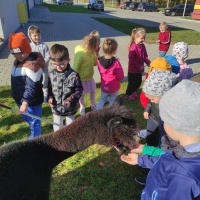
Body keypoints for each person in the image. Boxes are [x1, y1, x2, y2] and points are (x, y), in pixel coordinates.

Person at [121, 80, 200, 200]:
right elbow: (164, 163)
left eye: (165, 120)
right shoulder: (179, 150)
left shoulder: (184, 177)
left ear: (177, 125)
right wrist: (141, 160)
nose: (163, 125)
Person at [8, 32, 45, 139]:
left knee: (35, 122)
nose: (18, 56)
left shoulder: (32, 66)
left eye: (20, 53)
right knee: (28, 119)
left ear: (27, 49)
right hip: (20, 100)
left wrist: (25, 102)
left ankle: (35, 140)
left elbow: (31, 87)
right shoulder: (19, 61)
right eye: (15, 54)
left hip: (31, 102)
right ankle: (33, 133)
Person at [48, 44, 83, 131]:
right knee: (57, 128)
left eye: (62, 64)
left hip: (70, 109)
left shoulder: (74, 75)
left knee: (70, 128)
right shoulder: (51, 74)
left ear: (68, 60)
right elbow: (48, 88)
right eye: (55, 64)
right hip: (56, 108)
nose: (58, 67)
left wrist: (70, 99)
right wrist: (49, 97)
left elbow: (79, 90)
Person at [139, 69, 177, 146]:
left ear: (164, 94)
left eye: (152, 99)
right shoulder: (156, 97)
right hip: (153, 117)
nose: (151, 101)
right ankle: (149, 145)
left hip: (164, 123)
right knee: (150, 135)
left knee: (161, 137)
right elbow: (150, 102)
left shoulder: (173, 104)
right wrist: (147, 109)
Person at [73, 30, 100, 115]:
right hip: (81, 79)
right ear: (91, 46)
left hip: (89, 78)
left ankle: (93, 105)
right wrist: (75, 78)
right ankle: (82, 106)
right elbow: (75, 67)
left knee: (92, 91)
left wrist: (97, 54)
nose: (98, 47)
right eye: (97, 46)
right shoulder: (80, 54)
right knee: (81, 94)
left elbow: (95, 63)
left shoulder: (92, 53)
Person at [96, 38, 124, 110]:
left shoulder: (99, 61)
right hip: (114, 86)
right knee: (113, 100)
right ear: (114, 51)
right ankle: (112, 112)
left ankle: (98, 111)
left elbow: (100, 70)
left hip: (104, 85)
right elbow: (120, 76)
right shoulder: (116, 62)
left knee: (102, 99)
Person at [125, 28, 151, 100]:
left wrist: (148, 62)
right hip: (133, 70)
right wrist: (139, 66)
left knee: (138, 82)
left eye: (144, 38)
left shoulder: (142, 46)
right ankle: (128, 94)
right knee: (132, 83)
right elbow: (132, 60)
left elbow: (145, 56)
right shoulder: (133, 48)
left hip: (139, 69)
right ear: (135, 37)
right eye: (141, 38)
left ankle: (134, 91)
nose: (143, 40)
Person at [28, 25, 50, 103]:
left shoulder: (44, 46)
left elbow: (48, 56)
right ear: (30, 36)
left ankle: (45, 97)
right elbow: (28, 57)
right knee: (35, 83)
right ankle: (36, 96)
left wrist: (43, 62)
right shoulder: (29, 47)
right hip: (34, 70)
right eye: (35, 36)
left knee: (44, 83)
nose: (37, 37)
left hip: (44, 69)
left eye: (38, 35)